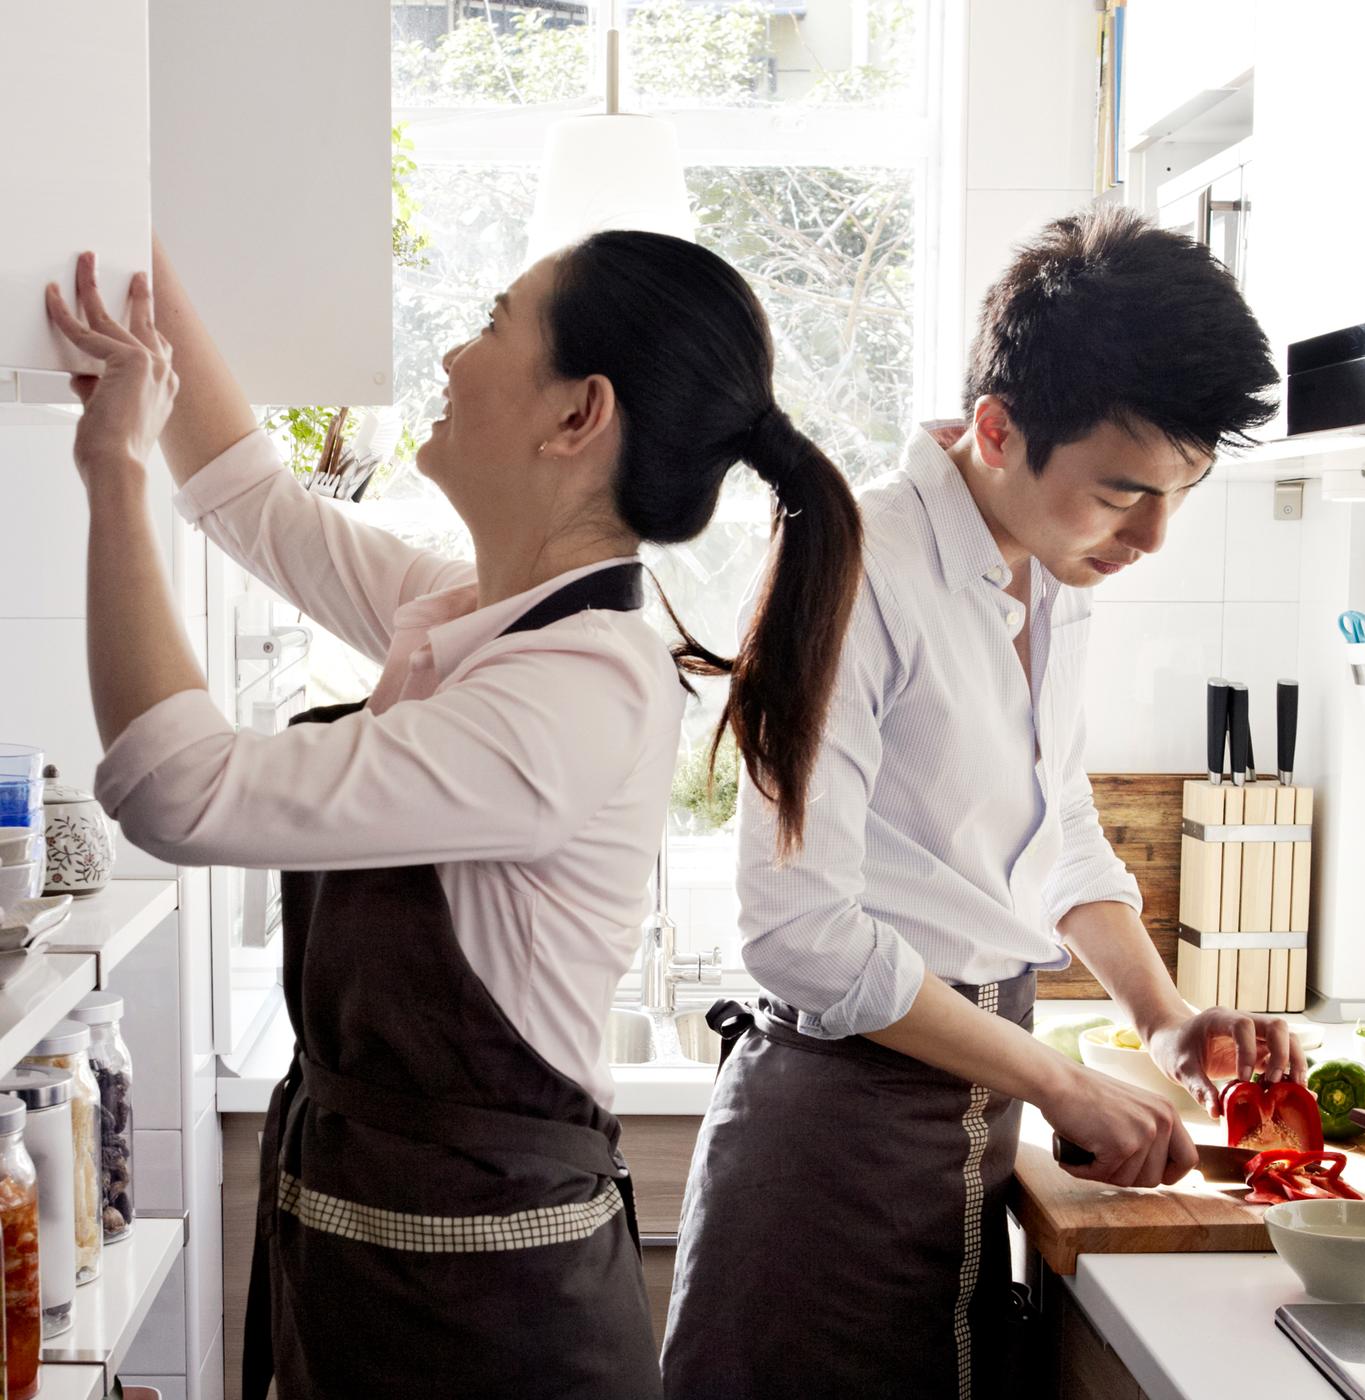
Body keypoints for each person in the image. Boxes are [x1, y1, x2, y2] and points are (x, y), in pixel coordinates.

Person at [44, 231, 862, 1399]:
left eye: (490, 319)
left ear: (578, 414)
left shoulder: (574, 692)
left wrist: (112, 472)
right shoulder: (481, 615)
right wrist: (130, 234)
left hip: (496, 1342)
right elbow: (247, 497)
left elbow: (177, 787)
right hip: (376, 1297)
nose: (451, 348)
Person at [662, 205, 1297, 1400]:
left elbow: (1053, 826)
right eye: (1122, 494)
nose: (1151, 535)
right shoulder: (854, 560)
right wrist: (1057, 1077)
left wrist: (1160, 1017)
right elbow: (796, 930)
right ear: (996, 429)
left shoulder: (1052, 568)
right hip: (833, 1146)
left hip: (962, 1126)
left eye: (1179, 493)